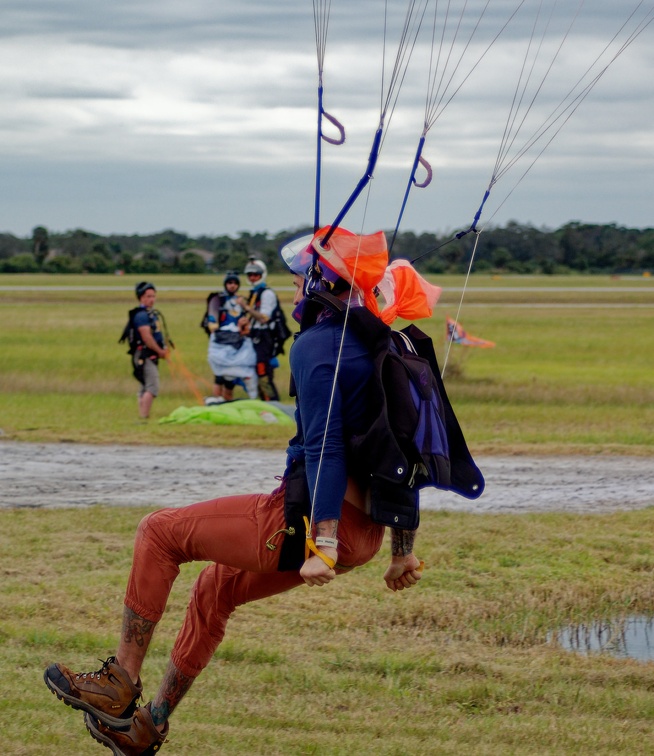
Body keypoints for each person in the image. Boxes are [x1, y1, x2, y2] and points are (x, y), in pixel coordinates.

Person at [43, 229, 423, 755]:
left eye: (298, 280)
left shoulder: (319, 346)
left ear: (322, 282)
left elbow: (326, 448)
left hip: (311, 527)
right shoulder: (384, 339)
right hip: (368, 535)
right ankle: (147, 726)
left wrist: (325, 543)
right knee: (213, 591)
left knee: (158, 533)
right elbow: (409, 449)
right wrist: (402, 553)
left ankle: (119, 685)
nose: (292, 290)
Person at [204, 272, 258, 402]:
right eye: (230, 283)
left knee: (232, 375)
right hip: (222, 339)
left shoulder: (241, 301)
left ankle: (228, 401)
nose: (232, 286)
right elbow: (212, 319)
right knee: (219, 375)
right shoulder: (218, 299)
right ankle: (217, 401)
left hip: (237, 339)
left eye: (235, 283)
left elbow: (245, 319)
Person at [238, 259, 280, 401]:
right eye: (250, 275)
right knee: (255, 369)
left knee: (263, 370)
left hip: (264, 336)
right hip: (255, 334)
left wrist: (246, 308)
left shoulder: (267, 293)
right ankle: (263, 400)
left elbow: (264, 318)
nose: (252, 278)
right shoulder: (255, 292)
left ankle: (272, 402)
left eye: (255, 275)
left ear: (261, 275)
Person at [130, 282, 170, 420]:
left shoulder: (151, 314)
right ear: (141, 298)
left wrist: (164, 349)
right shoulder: (141, 316)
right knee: (152, 387)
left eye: (153, 296)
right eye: (148, 296)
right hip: (145, 355)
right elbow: (147, 337)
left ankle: (142, 416)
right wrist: (160, 351)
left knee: (144, 387)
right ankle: (144, 417)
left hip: (149, 354)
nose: (152, 299)